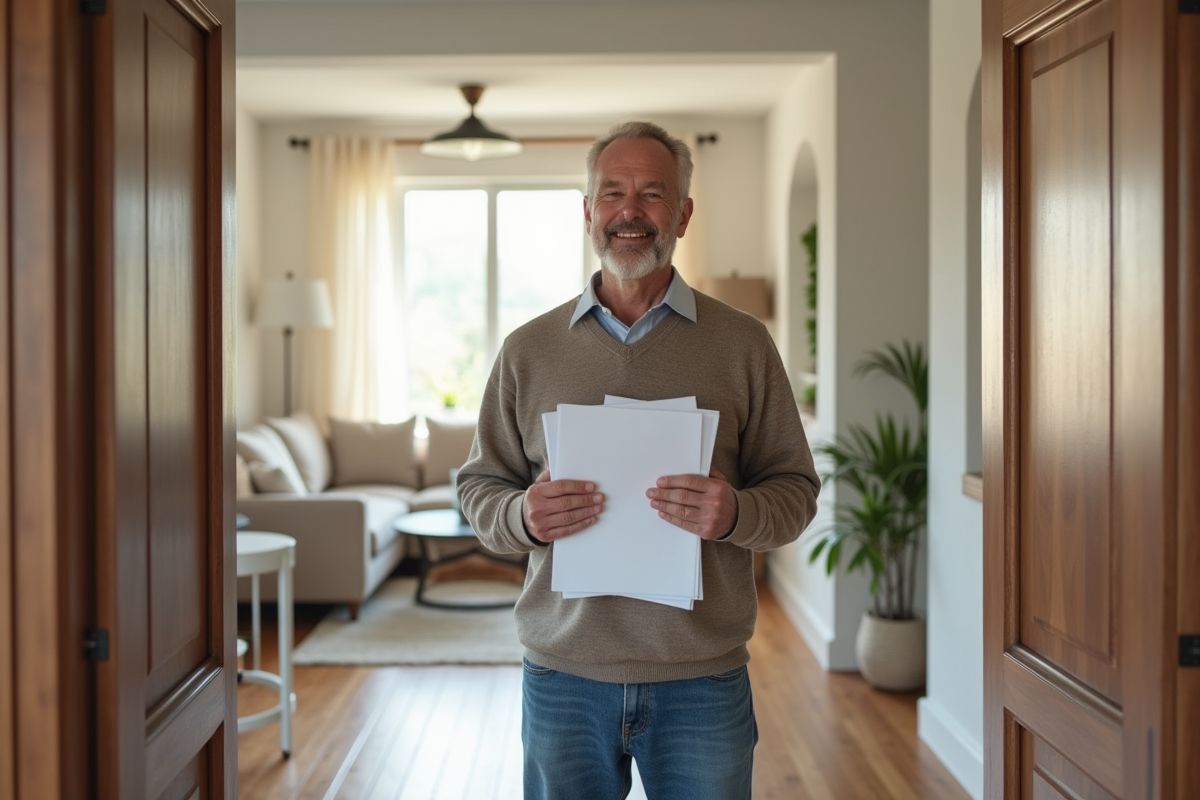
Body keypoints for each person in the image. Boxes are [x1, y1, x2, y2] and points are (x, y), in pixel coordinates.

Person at [456, 121, 820, 800]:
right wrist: (521, 515)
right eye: (612, 193)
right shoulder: (527, 350)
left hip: (702, 680)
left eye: (652, 194)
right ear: (589, 211)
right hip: (563, 677)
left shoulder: (743, 344)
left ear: (682, 213)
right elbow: (480, 488)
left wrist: (736, 510)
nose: (630, 211)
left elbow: (796, 491)